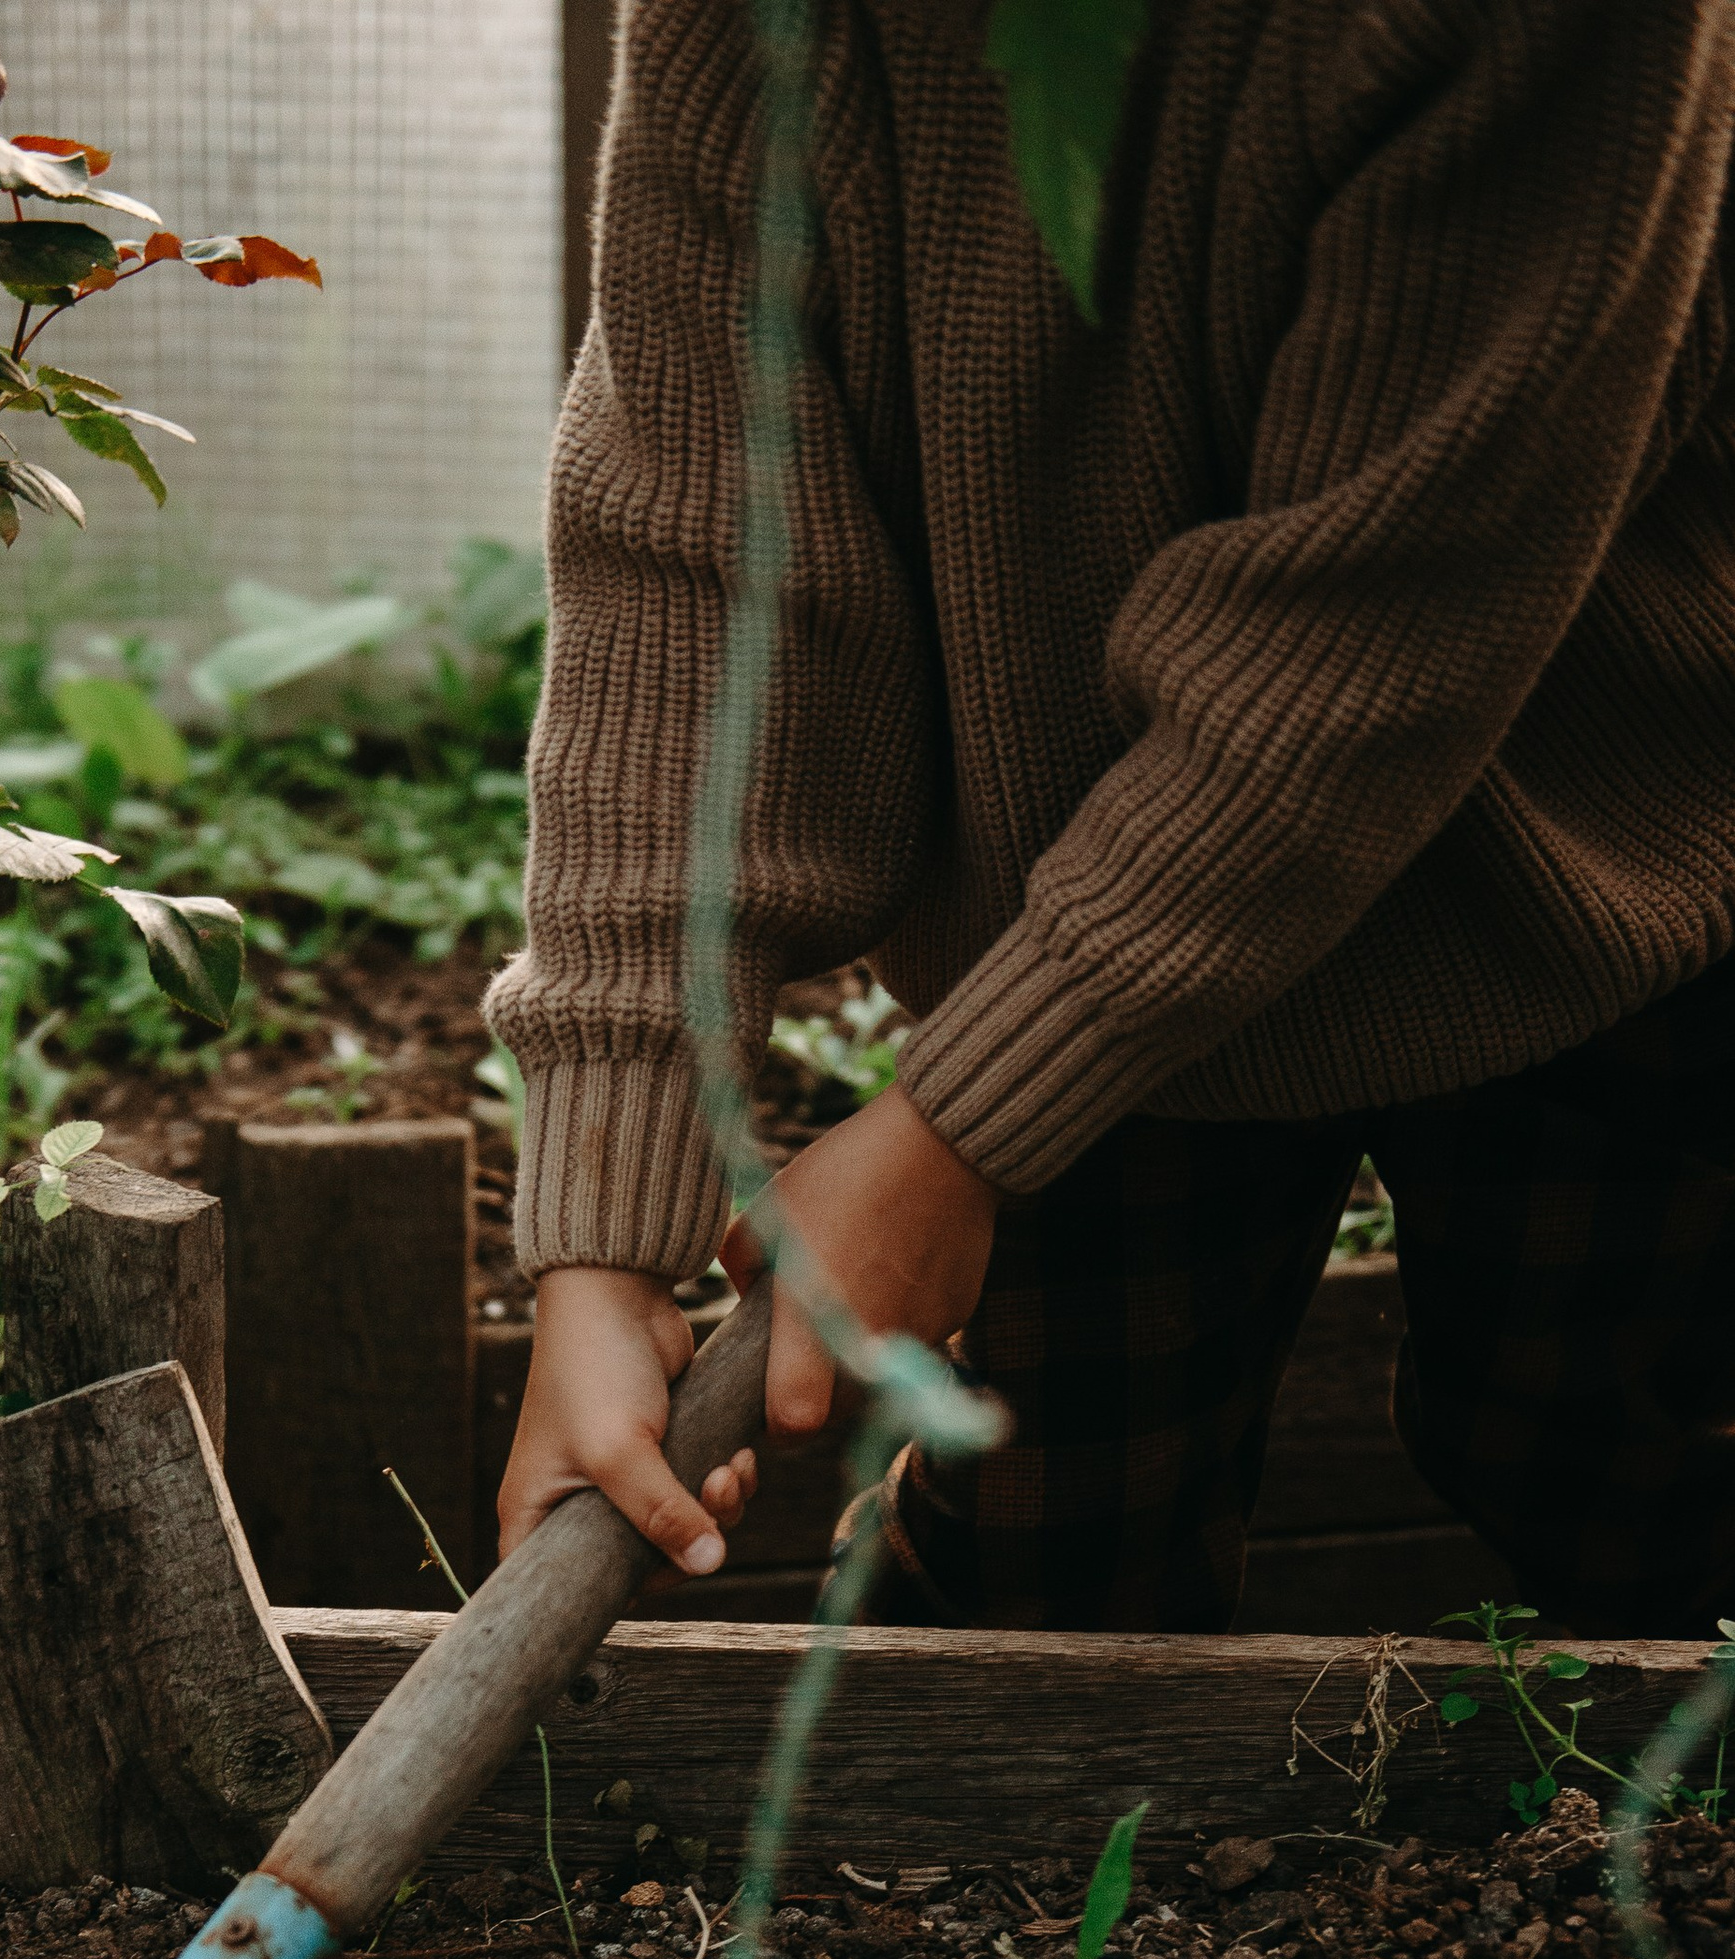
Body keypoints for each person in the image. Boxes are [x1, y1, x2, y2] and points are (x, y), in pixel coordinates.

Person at [485, 0, 1735, 1638]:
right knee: (1043, 1570)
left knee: (1615, 1465)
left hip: (1585, 887)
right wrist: (602, 1245)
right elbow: (696, 566)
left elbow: (1379, 625)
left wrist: (957, 1131)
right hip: (1094, 917)